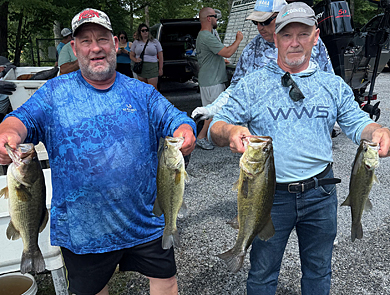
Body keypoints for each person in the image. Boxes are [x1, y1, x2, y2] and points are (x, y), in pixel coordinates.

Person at [0, 7, 196, 295]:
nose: (96, 48)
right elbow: (22, 120)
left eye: (102, 39)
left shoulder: (140, 92)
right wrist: (8, 133)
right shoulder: (54, 93)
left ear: (115, 44)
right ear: (74, 47)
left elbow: (174, 117)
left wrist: (185, 130)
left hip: (145, 219)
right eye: (86, 41)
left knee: (166, 282)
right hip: (83, 229)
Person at [209, 2, 390, 294]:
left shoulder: (332, 85)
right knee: (263, 274)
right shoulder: (252, 84)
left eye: (302, 34)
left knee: (319, 272)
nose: (294, 42)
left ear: (315, 36)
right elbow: (216, 127)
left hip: (321, 194)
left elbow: (358, 123)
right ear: (275, 38)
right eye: (286, 35)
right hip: (269, 196)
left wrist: (378, 131)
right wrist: (229, 131)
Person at [191, 0, 333, 122]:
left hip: (305, 125)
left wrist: (333, 115)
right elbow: (237, 89)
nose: (260, 27)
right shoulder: (252, 49)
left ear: (282, 17)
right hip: (265, 131)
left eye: (265, 21)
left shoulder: (311, 41)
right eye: (256, 22)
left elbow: (329, 82)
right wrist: (212, 109)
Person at [195, 7, 243, 150]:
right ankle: (202, 138)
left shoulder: (202, 36)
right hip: (212, 80)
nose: (217, 19)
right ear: (209, 18)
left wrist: (220, 60)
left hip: (207, 79)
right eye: (215, 17)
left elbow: (214, 55)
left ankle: (204, 137)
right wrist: (238, 40)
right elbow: (227, 52)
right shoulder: (207, 36)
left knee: (209, 111)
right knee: (212, 112)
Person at [130, 24, 163, 90]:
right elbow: (131, 55)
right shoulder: (136, 42)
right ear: (140, 32)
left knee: (153, 89)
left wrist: (160, 68)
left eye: (146, 30)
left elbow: (160, 56)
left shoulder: (155, 41)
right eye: (143, 31)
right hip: (141, 66)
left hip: (152, 66)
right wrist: (135, 60)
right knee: (143, 89)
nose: (145, 32)